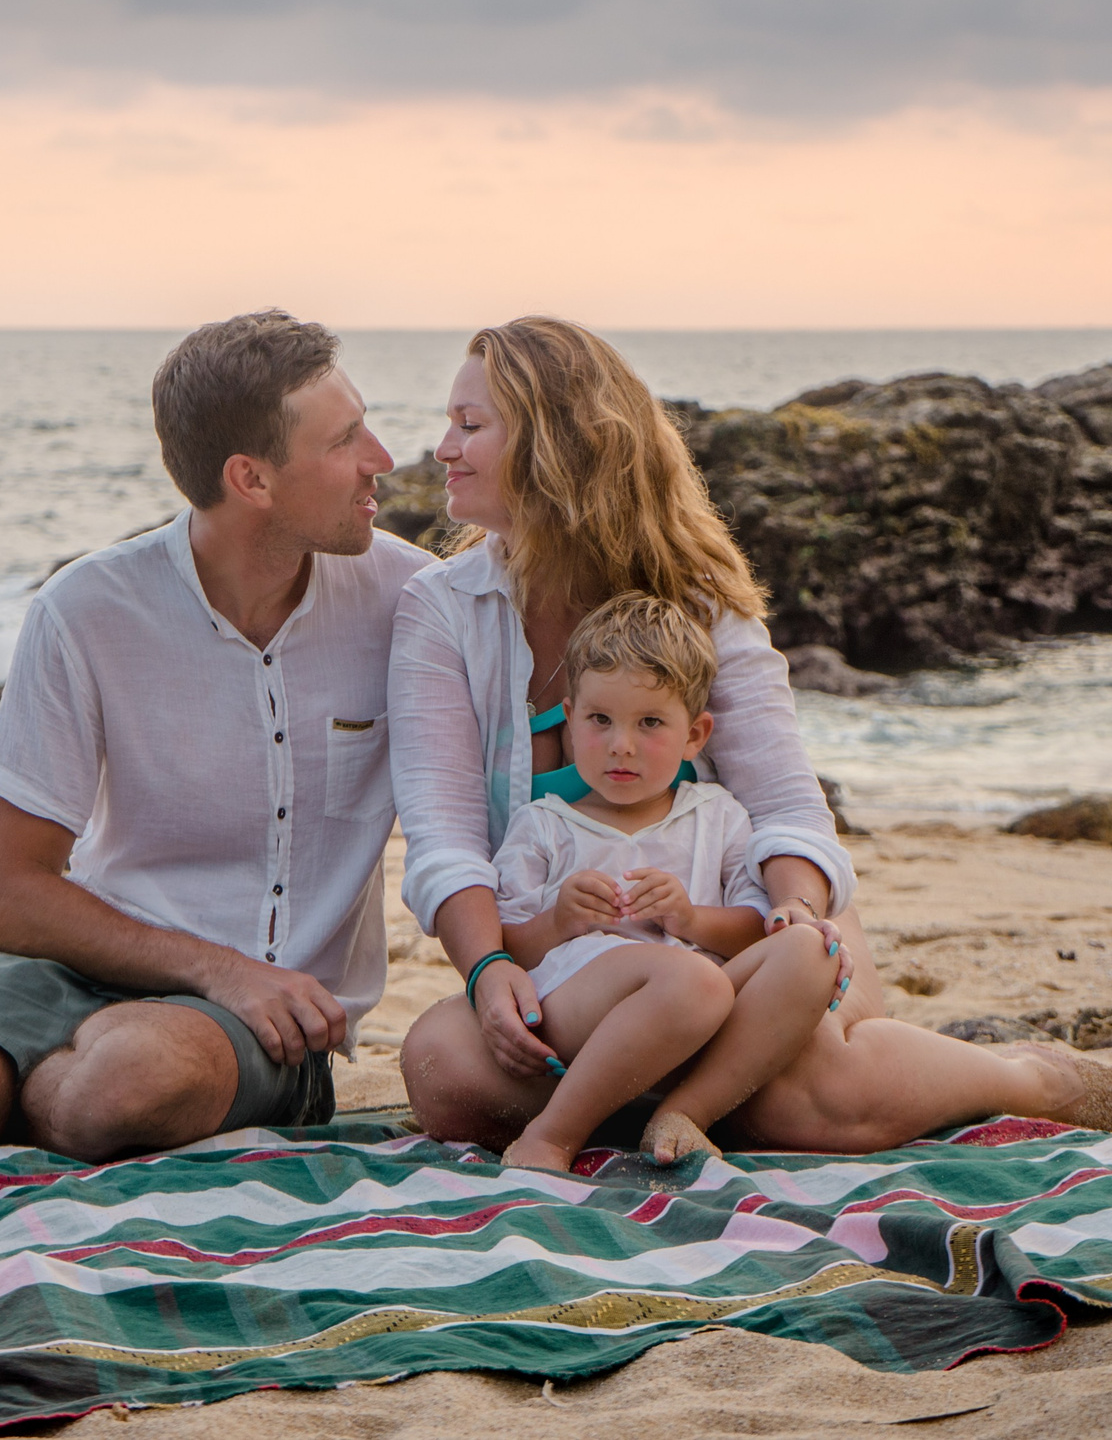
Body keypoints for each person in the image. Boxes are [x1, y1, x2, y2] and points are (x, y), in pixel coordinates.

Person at [390, 315, 1112, 1156]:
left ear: (558, 445)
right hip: (578, 976)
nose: (442, 448)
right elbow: (443, 841)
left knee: (806, 1106)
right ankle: (666, 1094)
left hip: (733, 938)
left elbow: (785, 808)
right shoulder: (442, 609)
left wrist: (795, 915)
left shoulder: (701, 603)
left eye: (471, 425)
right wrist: (487, 971)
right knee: (443, 1069)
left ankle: (1028, 1079)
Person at [0, 310, 427, 1162]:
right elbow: (13, 884)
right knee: (102, 1074)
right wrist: (210, 964)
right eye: (346, 440)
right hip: (74, 971)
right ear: (252, 479)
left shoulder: (415, 604)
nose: (380, 458)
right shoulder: (86, 611)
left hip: (262, 1023)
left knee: (129, 1084)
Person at [494, 591, 847, 1172]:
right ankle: (551, 1136)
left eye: (650, 723)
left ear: (695, 736)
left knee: (811, 949)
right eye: (599, 720)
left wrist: (691, 919)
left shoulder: (719, 815)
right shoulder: (544, 824)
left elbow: (756, 932)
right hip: (589, 1018)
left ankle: (685, 1112)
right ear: (569, 715)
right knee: (690, 983)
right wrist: (559, 920)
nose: (620, 745)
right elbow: (506, 951)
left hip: (708, 1019)